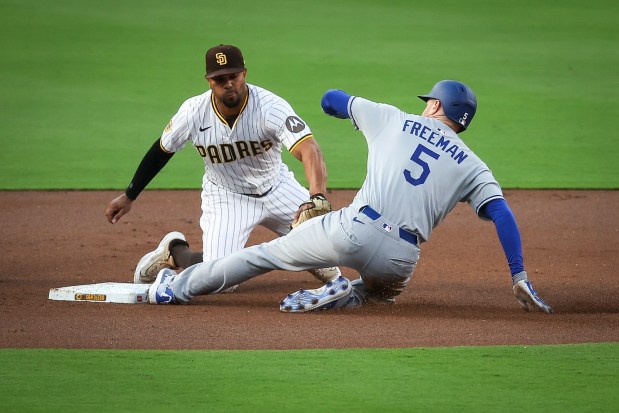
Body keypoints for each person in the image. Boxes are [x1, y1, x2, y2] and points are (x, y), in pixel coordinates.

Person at [146, 79, 553, 314]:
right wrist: (518, 275)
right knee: (379, 296)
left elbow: (331, 99)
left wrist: (351, 111)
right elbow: (502, 214)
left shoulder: (394, 118)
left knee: (262, 256)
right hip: (400, 259)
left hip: (351, 229)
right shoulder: (473, 165)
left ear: (433, 105)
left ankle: (174, 289)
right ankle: (349, 292)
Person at [105, 44, 340, 289]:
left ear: (244, 74)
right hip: (227, 196)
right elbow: (162, 150)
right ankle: (174, 252)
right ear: (209, 81)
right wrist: (130, 195)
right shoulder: (193, 112)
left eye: (233, 76)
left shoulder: (270, 107)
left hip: (277, 186)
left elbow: (309, 149)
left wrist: (317, 195)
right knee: (221, 279)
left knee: (329, 257)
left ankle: (304, 249)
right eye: (220, 79)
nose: (228, 83)